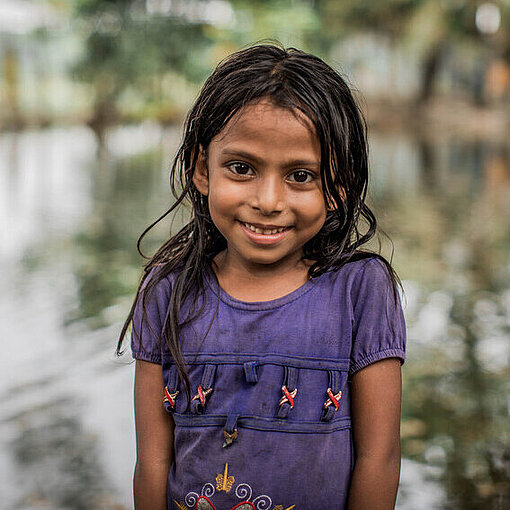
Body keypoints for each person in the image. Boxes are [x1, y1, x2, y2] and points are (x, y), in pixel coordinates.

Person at [117, 44, 407, 510]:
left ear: (340, 185)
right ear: (201, 169)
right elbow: (152, 463)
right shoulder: (167, 292)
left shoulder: (361, 292)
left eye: (300, 175)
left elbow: (380, 459)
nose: (268, 200)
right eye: (242, 168)